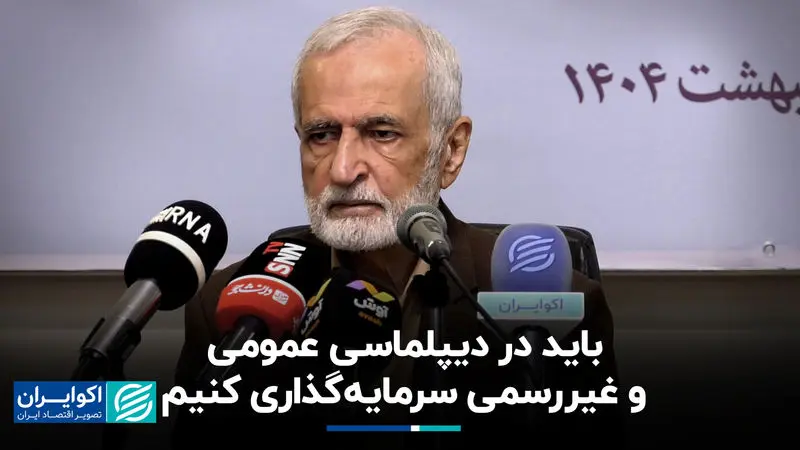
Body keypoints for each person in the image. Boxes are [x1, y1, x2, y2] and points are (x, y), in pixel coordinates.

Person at [172, 6, 622, 449]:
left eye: (382, 133)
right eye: (322, 135)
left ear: (451, 151)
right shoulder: (229, 310)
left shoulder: (557, 311)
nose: (343, 169)